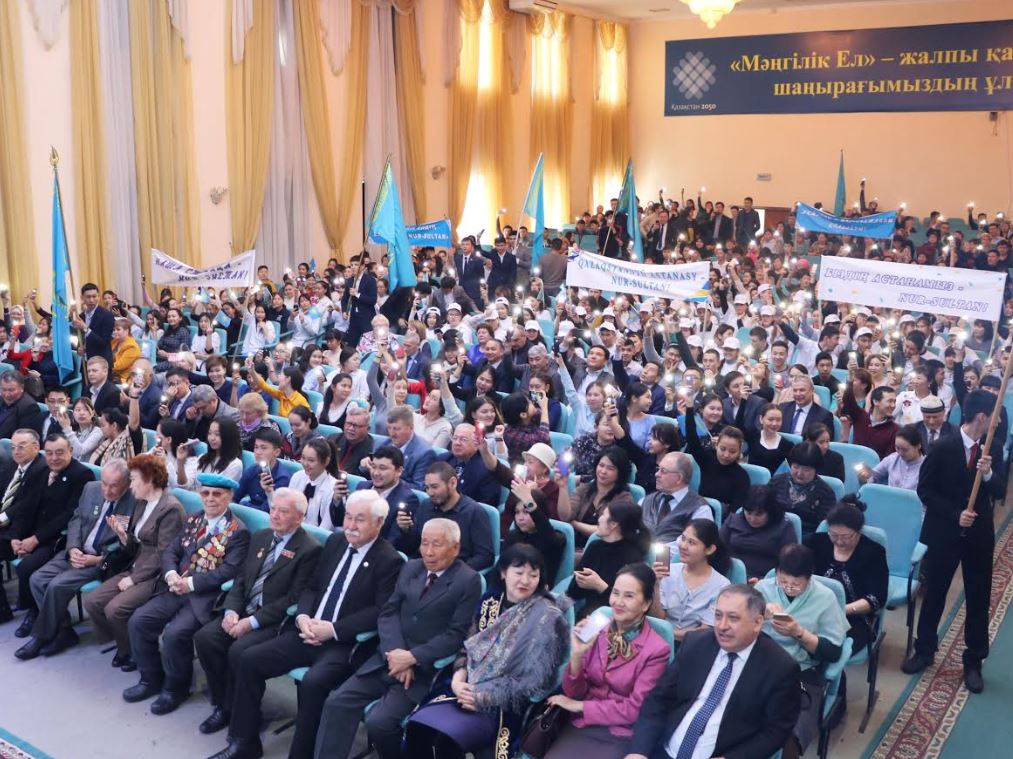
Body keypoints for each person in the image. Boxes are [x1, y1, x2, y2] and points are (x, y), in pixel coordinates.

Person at [209, 491, 404, 759]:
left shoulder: (389, 560)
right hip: (306, 630)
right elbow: (312, 587)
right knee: (249, 659)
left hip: (342, 643)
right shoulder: (336, 542)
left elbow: (379, 612)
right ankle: (244, 742)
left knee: (313, 683)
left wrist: (332, 630)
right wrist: (302, 617)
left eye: (359, 519)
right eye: (348, 517)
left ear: (379, 522)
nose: (350, 525)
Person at [313, 518, 483, 759]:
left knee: (379, 723)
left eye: (437, 544)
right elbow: (388, 612)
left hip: (422, 671)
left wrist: (412, 657)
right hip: (387, 659)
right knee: (337, 702)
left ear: (455, 548)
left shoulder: (468, 580)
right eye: (424, 543)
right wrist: (396, 653)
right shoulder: (412, 567)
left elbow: (456, 635)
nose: (428, 552)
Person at [405, 544, 570, 759]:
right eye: (519, 572)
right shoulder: (490, 603)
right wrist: (457, 681)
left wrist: (485, 697)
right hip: (464, 687)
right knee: (419, 729)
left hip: (503, 703)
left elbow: (534, 681)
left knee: (447, 739)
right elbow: (468, 647)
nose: (525, 580)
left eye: (533, 575)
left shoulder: (547, 617)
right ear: (503, 573)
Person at [193, 487, 321, 740]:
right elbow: (241, 579)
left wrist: (250, 623)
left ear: (300, 517)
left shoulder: (310, 550)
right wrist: (231, 610)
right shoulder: (262, 536)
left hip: (273, 621)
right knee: (205, 639)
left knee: (239, 651)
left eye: (283, 511)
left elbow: (293, 599)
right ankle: (224, 704)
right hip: (243, 609)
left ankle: (239, 711)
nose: (275, 515)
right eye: (273, 509)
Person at [904, 390, 1006, 693]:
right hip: (944, 532)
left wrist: (987, 475)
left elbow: (1001, 490)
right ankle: (924, 649)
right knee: (935, 592)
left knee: (978, 597)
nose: (999, 422)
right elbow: (925, 490)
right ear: (982, 417)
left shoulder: (993, 446)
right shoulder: (942, 446)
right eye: (996, 416)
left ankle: (973, 660)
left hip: (978, 535)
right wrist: (955, 514)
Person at [123, 473, 251, 714]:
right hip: (174, 588)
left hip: (203, 597)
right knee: (139, 621)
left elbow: (228, 571)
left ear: (229, 497)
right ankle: (150, 678)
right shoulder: (194, 519)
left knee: (174, 635)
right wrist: (171, 574)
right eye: (205, 493)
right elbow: (171, 551)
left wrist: (190, 584)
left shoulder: (237, 531)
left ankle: (176, 688)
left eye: (217, 494)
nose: (210, 499)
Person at [627, 584, 801, 759]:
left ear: (757, 622)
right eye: (718, 616)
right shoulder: (696, 644)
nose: (722, 626)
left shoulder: (780, 668)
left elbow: (776, 731)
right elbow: (658, 699)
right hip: (664, 750)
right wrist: (639, 751)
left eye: (733, 618)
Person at [545, 564, 670, 759]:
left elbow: (635, 709)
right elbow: (574, 693)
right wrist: (576, 656)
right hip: (581, 725)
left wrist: (581, 706)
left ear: (646, 604)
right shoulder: (596, 628)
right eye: (615, 593)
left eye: (629, 596)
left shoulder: (657, 650)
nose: (618, 602)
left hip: (619, 732)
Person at [15, 459, 137, 659]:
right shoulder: (91, 489)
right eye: (104, 483)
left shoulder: (134, 502)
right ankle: (63, 630)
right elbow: (76, 520)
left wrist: (96, 559)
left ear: (126, 483)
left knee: (56, 586)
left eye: (113, 486)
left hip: (100, 561)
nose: (107, 490)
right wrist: (72, 547)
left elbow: (128, 545)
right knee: (36, 579)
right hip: (76, 551)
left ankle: (41, 637)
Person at [84, 454, 185, 671]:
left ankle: (131, 651)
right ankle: (124, 642)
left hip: (156, 576)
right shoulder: (141, 503)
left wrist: (133, 579)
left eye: (134, 479)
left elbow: (164, 555)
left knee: (115, 609)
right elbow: (135, 547)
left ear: (149, 479)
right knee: (93, 601)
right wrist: (123, 537)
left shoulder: (171, 509)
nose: (130, 485)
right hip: (136, 565)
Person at [755, 544, 849, 759]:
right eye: (783, 581)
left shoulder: (825, 597)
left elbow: (833, 651)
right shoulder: (763, 589)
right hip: (760, 666)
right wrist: (761, 615)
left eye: (796, 584)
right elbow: (743, 630)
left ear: (809, 577)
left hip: (801, 673)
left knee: (790, 732)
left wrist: (799, 633)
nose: (788, 588)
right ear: (777, 572)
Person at [0, 433, 93, 633]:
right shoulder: (43, 471)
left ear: (70, 451)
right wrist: (15, 536)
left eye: (59, 453)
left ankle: (34, 611)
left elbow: (69, 515)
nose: (54, 458)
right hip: (31, 533)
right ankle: (4, 608)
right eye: (49, 453)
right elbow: (26, 507)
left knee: (27, 568)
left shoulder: (81, 475)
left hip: (56, 539)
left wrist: (35, 539)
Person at [806, 503, 888, 655]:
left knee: (825, 649)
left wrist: (841, 610)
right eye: (833, 535)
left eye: (846, 536)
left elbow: (877, 597)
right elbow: (798, 571)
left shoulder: (874, 552)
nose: (839, 541)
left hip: (853, 618)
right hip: (812, 609)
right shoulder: (815, 542)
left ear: (858, 531)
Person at [397, 461, 495, 571]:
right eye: (427, 488)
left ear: (453, 483)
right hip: (424, 569)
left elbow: (485, 557)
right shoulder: (426, 506)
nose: (430, 493)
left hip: (456, 573)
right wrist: (406, 530)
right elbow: (413, 546)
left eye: (435, 487)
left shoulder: (474, 512)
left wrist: (455, 573)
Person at [652, 519, 731, 642]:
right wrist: (655, 585)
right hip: (659, 641)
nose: (683, 546)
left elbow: (705, 631)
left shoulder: (721, 585)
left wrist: (668, 633)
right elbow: (658, 618)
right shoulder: (668, 572)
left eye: (691, 542)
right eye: (683, 538)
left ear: (709, 549)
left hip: (694, 645)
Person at [567, 502, 650, 615]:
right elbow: (573, 592)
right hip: (587, 614)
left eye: (603, 515)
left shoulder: (632, 558)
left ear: (613, 524)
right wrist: (581, 581)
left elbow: (628, 605)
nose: (599, 519)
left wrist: (599, 585)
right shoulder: (595, 547)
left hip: (614, 618)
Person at [681, 399, 751, 512]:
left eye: (732, 451)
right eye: (723, 449)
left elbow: (736, 510)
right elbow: (692, 438)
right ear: (716, 445)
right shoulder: (706, 459)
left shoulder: (741, 476)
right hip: (698, 510)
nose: (726, 455)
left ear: (739, 452)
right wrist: (689, 407)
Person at [560, 446, 636, 545]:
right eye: (601, 465)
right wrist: (563, 487)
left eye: (610, 468)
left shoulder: (624, 499)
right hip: (574, 543)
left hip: (603, 547)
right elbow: (565, 517)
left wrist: (574, 524)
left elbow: (606, 530)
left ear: (620, 473)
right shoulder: (584, 489)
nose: (603, 471)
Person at [720, 485, 797, 582]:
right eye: (748, 513)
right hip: (730, 576)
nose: (752, 519)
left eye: (759, 514)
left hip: (766, 580)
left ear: (770, 512)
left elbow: (789, 562)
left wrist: (763, 581)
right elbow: (718, 548)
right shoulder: (733, 520)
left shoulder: (784, 527)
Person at [639, 452, 712, 544]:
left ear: (679, 478)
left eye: (663, 471)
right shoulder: (646, 501)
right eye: (658, 469)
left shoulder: (700, 509)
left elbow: (697, 545)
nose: (656, 474)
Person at [503, 489, 566, 585]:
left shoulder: (555, 539)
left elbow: (546, 531)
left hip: (538, 590)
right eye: (517, 512)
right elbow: (502, 567)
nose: (520, 518)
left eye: (526, 512)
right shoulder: (512, 536)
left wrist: (529, 501)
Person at [233, 428, 291, 511]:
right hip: (248, 512)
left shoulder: (283, 479)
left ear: (277, 452)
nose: (258, 452)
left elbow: (266, 510)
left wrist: (243, 504)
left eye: (263, 448)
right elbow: (235, 497)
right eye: (256, 447)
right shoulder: (253, 469)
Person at [289, 437, 340, 530]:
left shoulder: (333, 488)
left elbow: (325, 528)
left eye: (311, 460)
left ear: (326, 461)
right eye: (303, 458)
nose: (305, 463)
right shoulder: (297, 477)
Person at [858, 423, 925, 490]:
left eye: (905, 450)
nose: (900, 453)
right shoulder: (893, 459)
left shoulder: (926, 466)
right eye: (897, 448)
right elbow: (873, 476)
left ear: (918, 446)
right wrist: (865, 477)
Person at [386, 404, 437, 490]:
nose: (392, 434)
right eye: (389, 428)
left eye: (397, 429)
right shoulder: (385, 443)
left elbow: (419, 488)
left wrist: (389, 480)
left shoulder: (425, 453)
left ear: (411, 428)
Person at [841, 384, 898, 459]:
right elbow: (848, 400)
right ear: (876, 401)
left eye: (894, 402)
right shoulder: (860, 416)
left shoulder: (895, 430)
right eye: (890, 401)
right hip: (854, 460)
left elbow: (889, 459)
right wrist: (850, 382)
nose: (893, 405)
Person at [746, 402, 794, 475]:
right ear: (761, 419)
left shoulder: (787, 445)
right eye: (770, 419)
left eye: (778, 420)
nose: (774, 424)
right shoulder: (752, 436)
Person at [195, 417, 245, 482]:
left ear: (228, 436)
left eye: (217, 434)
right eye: (210, 433)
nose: (212, 438)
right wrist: (182, 462)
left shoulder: (235, 464)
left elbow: (222, 487)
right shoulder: (202, 458)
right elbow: (189, 484)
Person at [330, 405, 375, 475]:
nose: (351, 428)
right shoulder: (333, 439)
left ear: (368, 429)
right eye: (348, 423)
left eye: (356, 425)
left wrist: (362, 469)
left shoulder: (372, 450)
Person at [0, 371, 43, 442]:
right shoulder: (1, 399)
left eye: (11, 390)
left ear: (21, 388)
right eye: (4, 390)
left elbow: (22, 438)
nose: (7, 394)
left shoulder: (29, 407)